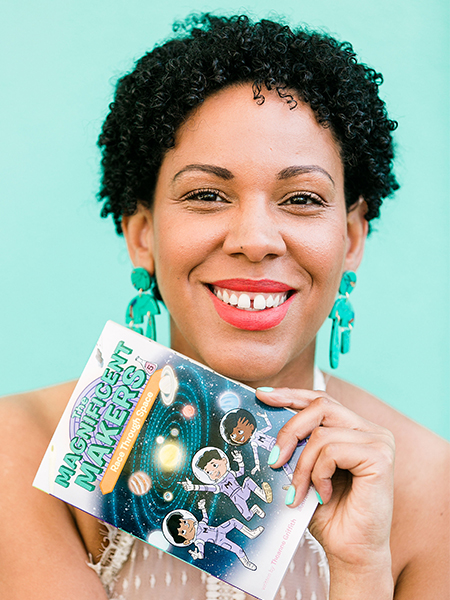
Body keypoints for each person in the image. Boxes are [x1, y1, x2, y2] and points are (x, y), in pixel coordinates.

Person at [0, 13, 448, 600]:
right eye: (207, 195)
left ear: (352, 237)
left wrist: (361, 568)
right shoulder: (21, 446)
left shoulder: (432, 490)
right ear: (142, 233)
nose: (255, 238)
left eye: (303, 198)